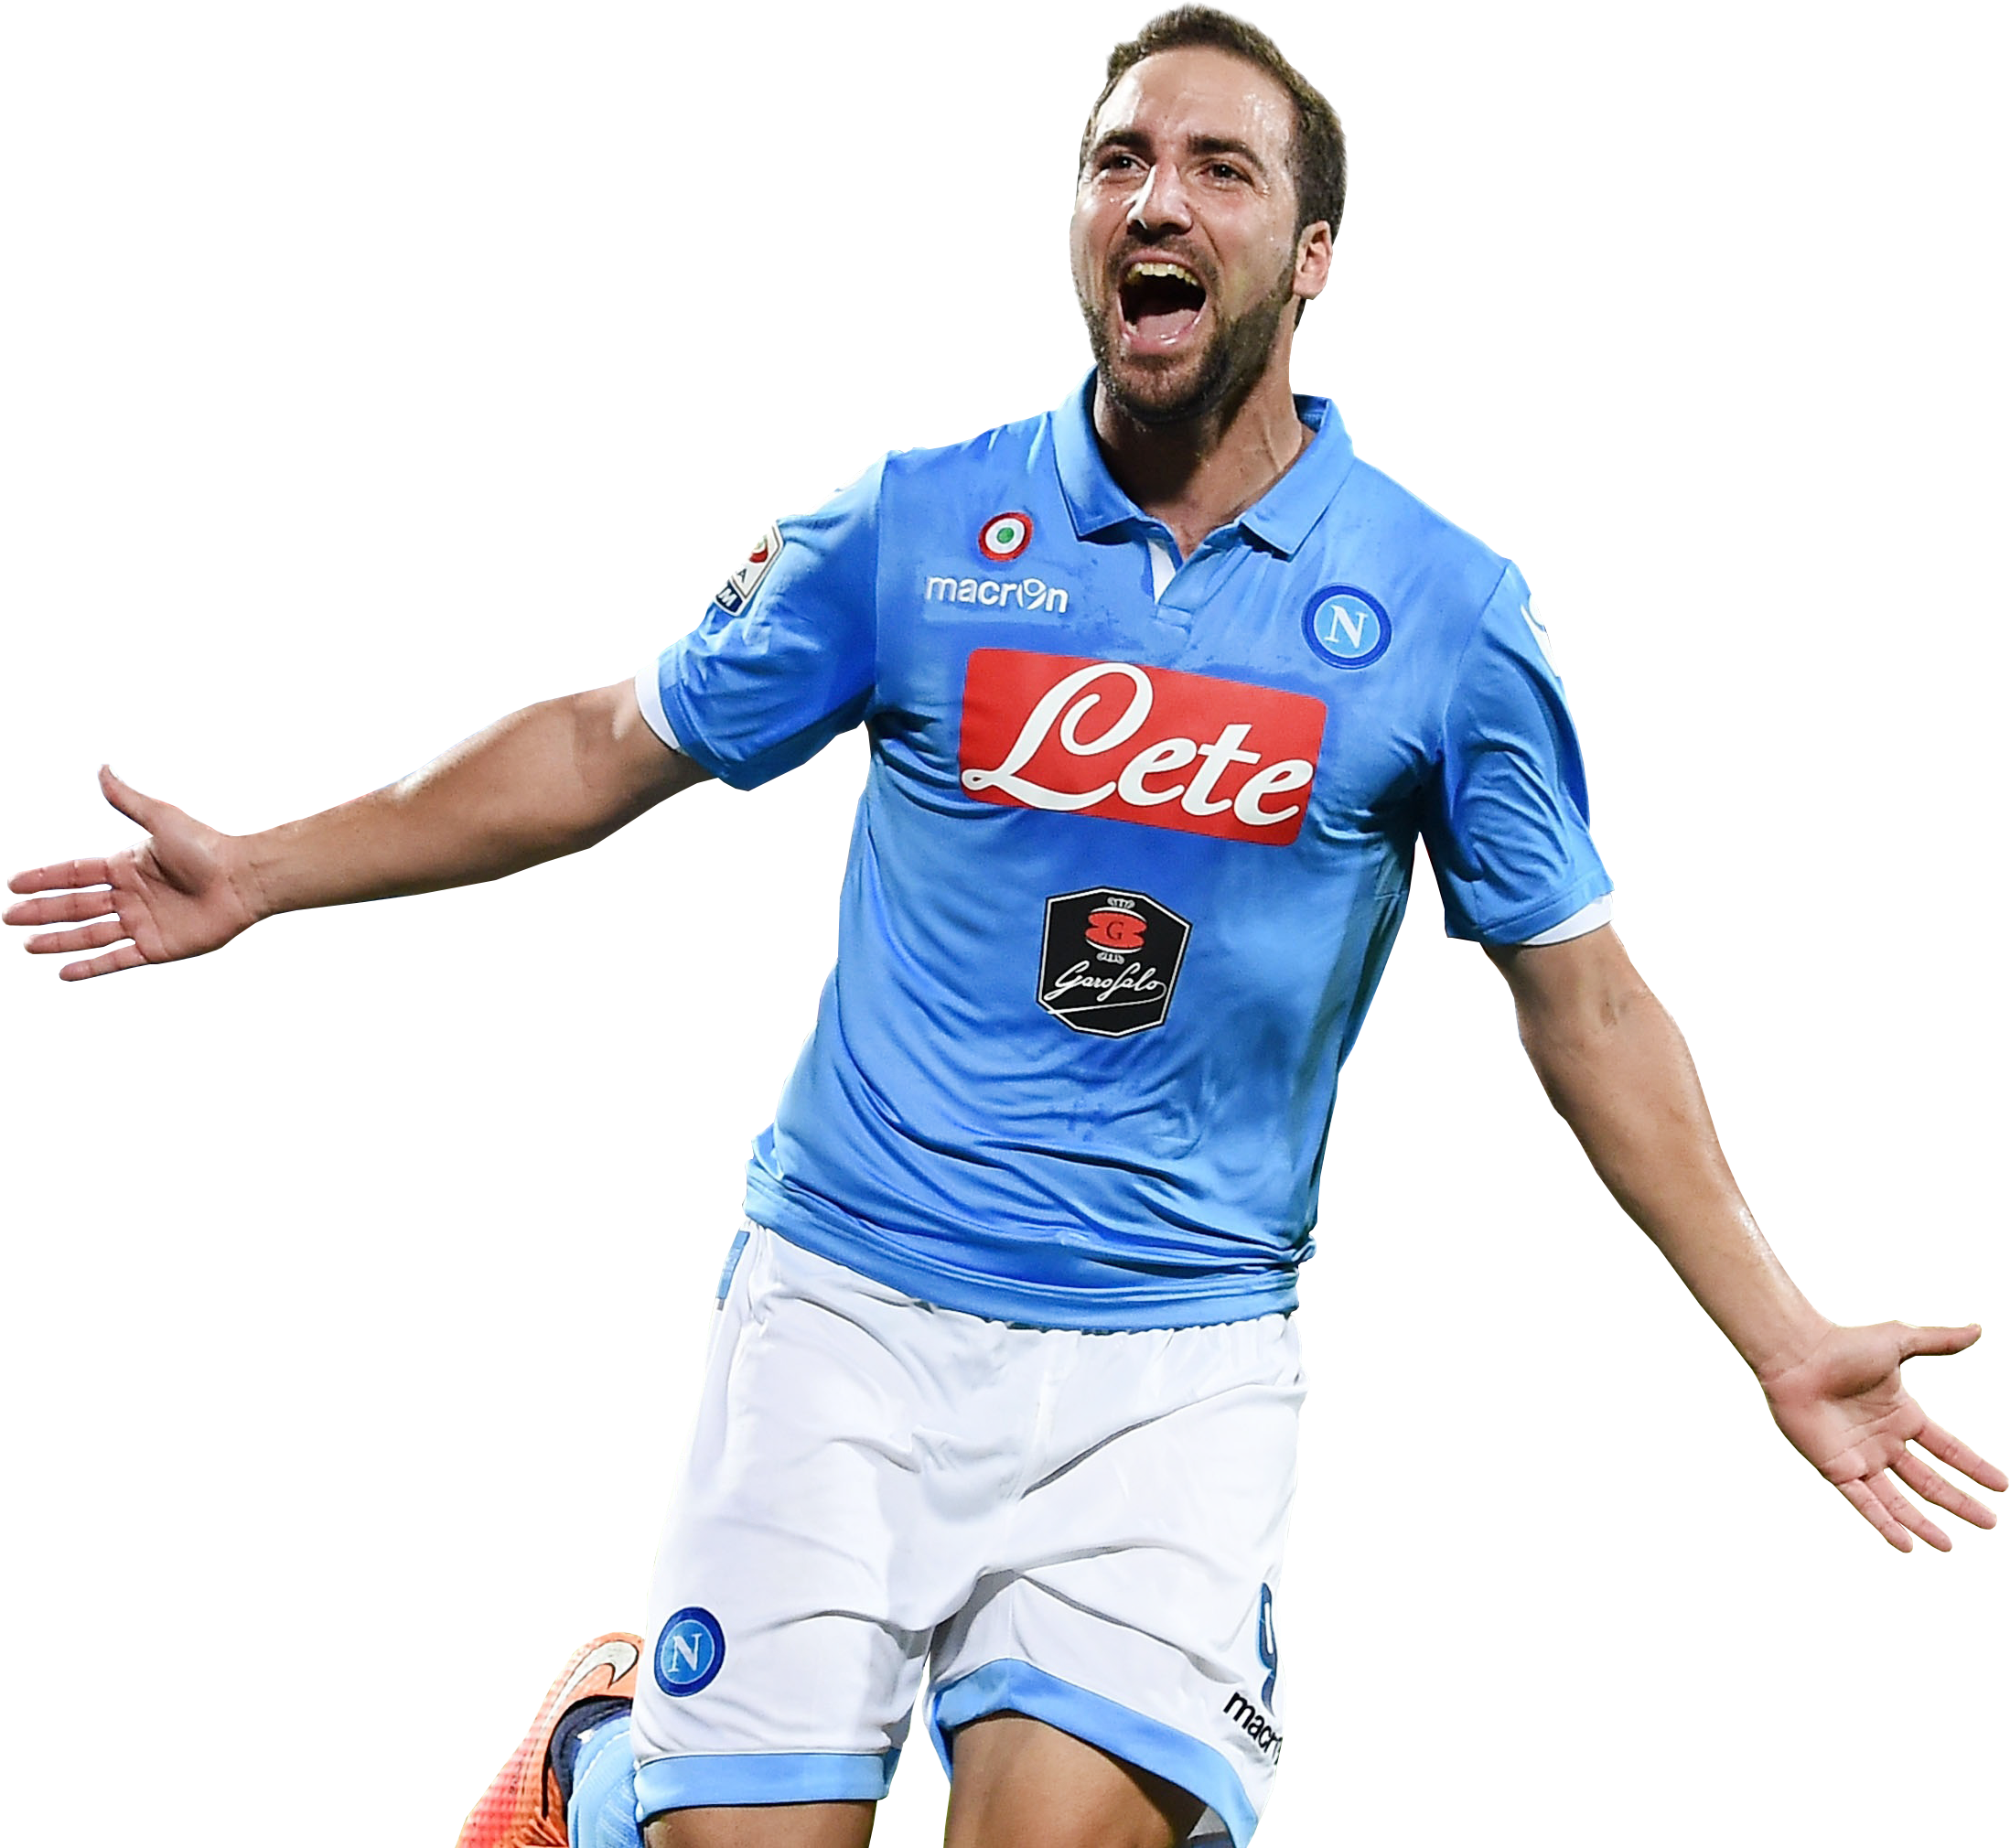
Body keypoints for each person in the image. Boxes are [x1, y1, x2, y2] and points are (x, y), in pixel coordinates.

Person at [7, 10, 2001, 1847]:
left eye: (1219, 169)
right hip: (847, 1311)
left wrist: (1782, 1333)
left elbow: (1586, 1001)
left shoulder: (1445, 614)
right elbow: (614, 743)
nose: (1157, 199)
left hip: (1175, 1362)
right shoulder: (918, 528)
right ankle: (613, 1760)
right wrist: (264, 865)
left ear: (1310, 254)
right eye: (1119, 160)